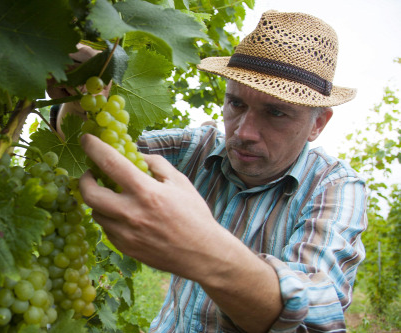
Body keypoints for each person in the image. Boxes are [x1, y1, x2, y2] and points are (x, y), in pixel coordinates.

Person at [75, 10, 367, 332]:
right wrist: (82, 96)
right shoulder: (197, 147)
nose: (244, 132)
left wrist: (201, 247)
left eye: (276, 113)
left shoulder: (335, 188)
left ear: (318, 124)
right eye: (236, 104)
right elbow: (97, 146)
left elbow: (315, 322)